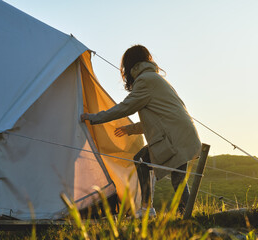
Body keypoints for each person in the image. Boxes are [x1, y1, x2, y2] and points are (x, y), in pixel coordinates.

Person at [81, 45, 201, 216]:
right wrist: (129, 129)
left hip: (173, 136)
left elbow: (125, 107)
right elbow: (156, 120)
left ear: (130, 65)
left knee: (142, 161)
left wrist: (94, 118)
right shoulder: (154, 78)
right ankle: (187, 214)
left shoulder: (145, 80)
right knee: (178, 177)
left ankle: (147, 209)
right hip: (180, 133)